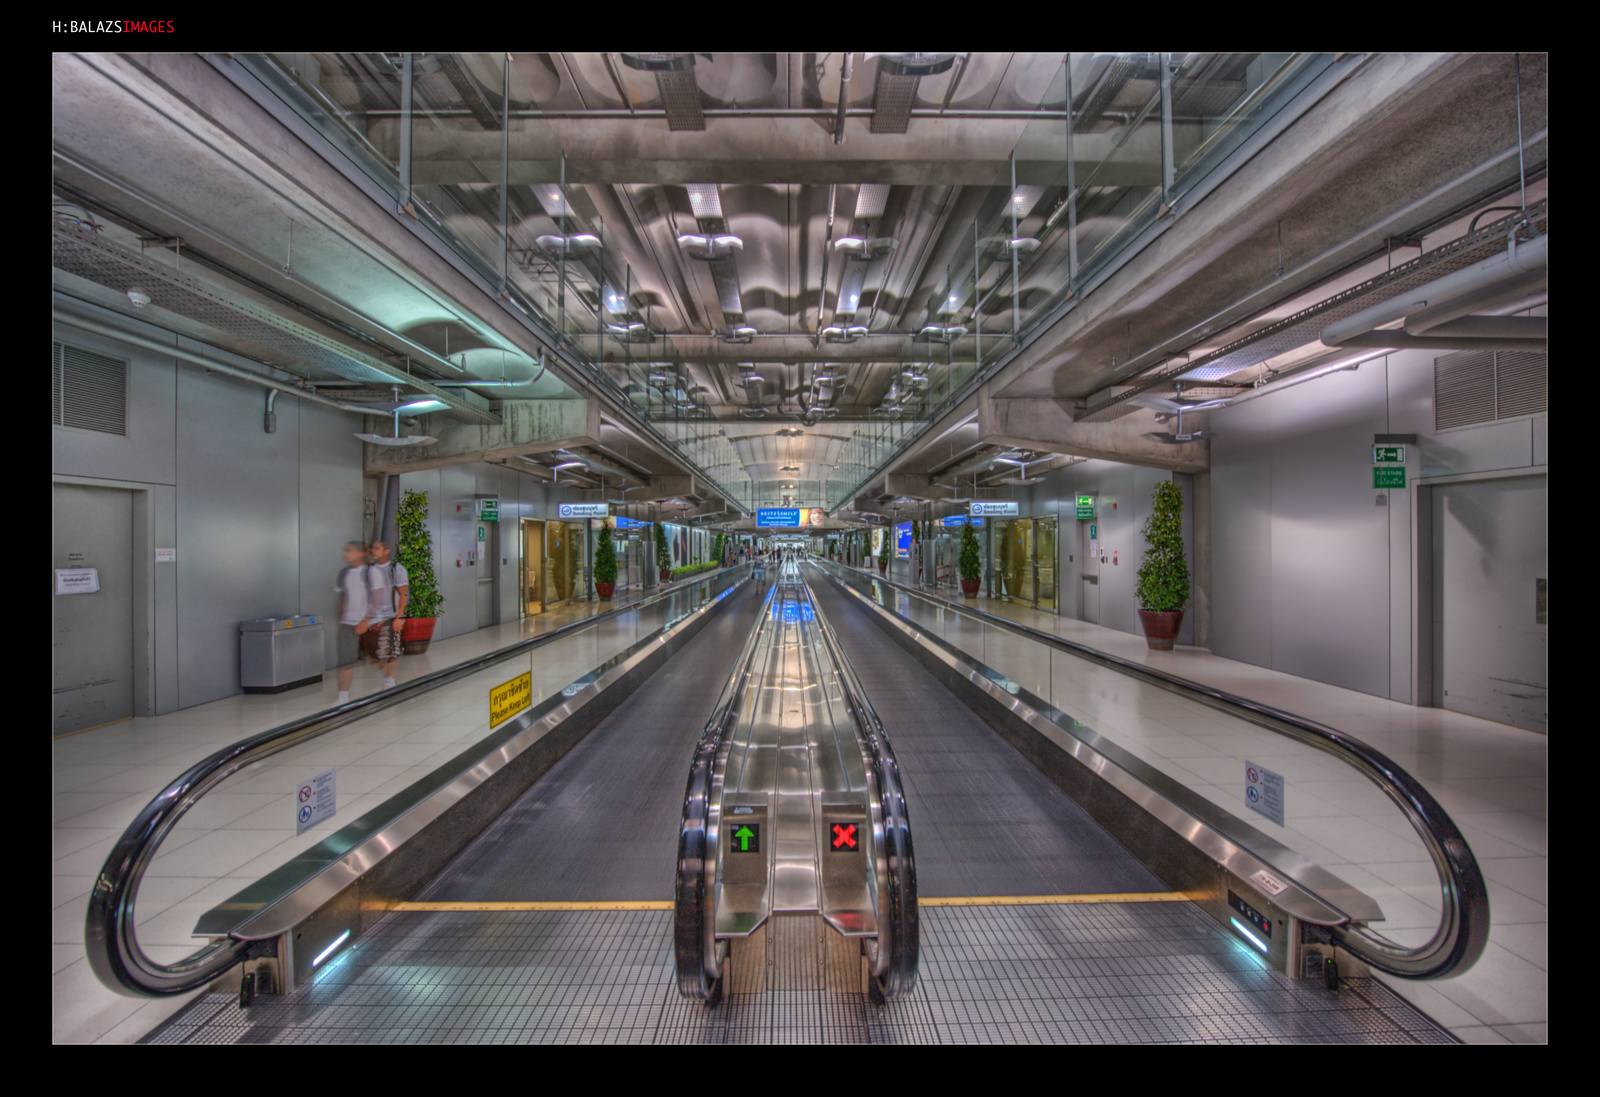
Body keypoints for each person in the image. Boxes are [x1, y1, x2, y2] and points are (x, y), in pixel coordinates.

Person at [335, 541, 374, 703]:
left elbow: (378, 599)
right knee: (344, 660)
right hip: (348, 623)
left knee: (377, 658)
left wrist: (367, 620)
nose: (345, 554)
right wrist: (340, 622)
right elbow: (342, 598)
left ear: (361, 553)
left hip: (370, 623)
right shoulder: (343, 573)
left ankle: (387, 682)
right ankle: (343, 695)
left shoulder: (372, 573)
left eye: (349, 551)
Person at [368, 539, 409, 690]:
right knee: (376, 650)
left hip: (391, 614)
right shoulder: (370, 570)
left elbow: (403, 593)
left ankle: (389, 678)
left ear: (386, 551)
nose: (373, 551)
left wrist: (399, 617)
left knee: (390, 649)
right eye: (372, 548)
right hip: (375, 616)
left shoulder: (395, 569)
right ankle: (384, 673)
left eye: (377, 548)